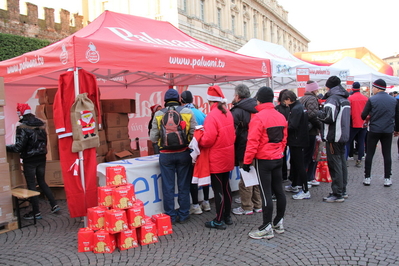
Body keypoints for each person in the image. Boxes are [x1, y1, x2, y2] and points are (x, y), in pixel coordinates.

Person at [243, 86, 287, 239]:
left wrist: (247, 162)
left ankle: (266, 226)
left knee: (266, 193)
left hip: (264, 160)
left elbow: (252, 142)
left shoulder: (258, 117)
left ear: (259, 99)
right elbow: (284, 139)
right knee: (279, 191)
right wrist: (279, 151)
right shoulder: (280, 115)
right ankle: (278, 222)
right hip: (277, 158)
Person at [150, 88, 197, 224]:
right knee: (183, 185)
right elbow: (194, 134)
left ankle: (170, 216)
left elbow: (153, 137)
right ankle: (183, 214)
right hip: (184, 153)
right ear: (179, 99)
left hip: (165, 155)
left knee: (168, 186)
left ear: (165, 100)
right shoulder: (188, 112)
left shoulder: (158, 114)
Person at [6, 103, 60, 220]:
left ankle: (36, 212)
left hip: (29, 159)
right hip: (41, 157)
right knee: (41, 181)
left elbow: (18, 147)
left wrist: (5, 147)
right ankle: (54, 204)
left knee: (31, 184)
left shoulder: (22, 127)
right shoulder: (41, 124)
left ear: (20, 113)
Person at [199, 85, 235, 230]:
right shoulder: (228, 113)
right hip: (227, 156)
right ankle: (227, 216)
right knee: (226, 187)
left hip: (216, 158)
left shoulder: (211, 116)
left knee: (218, 188)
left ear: (209, 101)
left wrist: (200, 139)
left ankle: (219, 219)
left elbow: (208, 139)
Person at [230, 84, 262, 215]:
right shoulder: (258, 107)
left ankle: (247, 206)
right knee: (256, 176)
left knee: (246, 178)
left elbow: (232, 133)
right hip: (259, 146)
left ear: (237, 96)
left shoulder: (236, 111)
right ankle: (258, 204)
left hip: (244, 147)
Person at [318, 76, 351, 202]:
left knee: (335, 163)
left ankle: (337, 193)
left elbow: (329, 117)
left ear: (328, 87)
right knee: (341, 162)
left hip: (334, 136)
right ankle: (342, 190)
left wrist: (318, 113)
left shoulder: (333, 99)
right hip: (342, 135)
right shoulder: (344, 98)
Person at [361, 79, 399, 187]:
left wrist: (369, 115)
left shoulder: (372, 99)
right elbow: (397, 116)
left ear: (377, 88)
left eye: (373, 87)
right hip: (388, 130)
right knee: (387, 154)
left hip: (374, 129)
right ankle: (387, 178)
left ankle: (367, 177)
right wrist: (397, 129)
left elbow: (363, 115)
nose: (372, 89)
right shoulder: (393, 100)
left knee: (370, 153)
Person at [180, 90, 211, 215]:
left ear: (181, 100)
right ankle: (206, 202)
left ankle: (195, 205)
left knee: (193, 177)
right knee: (204, 175)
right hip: (203, 149)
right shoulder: (202, 113)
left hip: (190, 149)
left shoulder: (183, 114)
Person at [282, 90, 310, 200]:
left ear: (289, 99)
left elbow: (292, 125)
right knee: (295, 163)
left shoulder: (296, 109)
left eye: (285, 100)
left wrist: (283, 125)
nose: (285, 103)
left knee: (299, 165)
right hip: (299, 139)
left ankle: (305, 190)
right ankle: (295, 185)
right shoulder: (300, 107)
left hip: (297, 141)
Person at [299, 81, 322, 187]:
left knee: (305, 156)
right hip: (311, 131)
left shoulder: (302, 99)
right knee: (310, 156)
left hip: (304, 131)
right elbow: (313, 115)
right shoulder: (312, 99)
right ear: (314, 89)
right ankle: (308, 178)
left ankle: (308, 177)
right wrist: (319, 125)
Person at [346, 82, 368, 167]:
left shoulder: (350, 98)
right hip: (363, 123)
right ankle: (359, 160)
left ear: (352, 88)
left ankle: (346, 159)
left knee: (348, 142)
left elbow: (349, 113)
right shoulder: (365, 98)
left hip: (353, 123)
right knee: (361, 141)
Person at [275, 89, 290, 181]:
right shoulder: (291, 108)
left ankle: (282, 175)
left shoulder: (277, 108)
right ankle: (284, 175)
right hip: (289, 135)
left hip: (280, 136)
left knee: (281, 156)